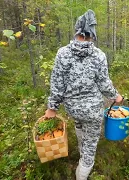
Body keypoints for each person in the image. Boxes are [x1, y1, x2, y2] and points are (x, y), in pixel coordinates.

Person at [43, 10, 123, 180]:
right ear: (92, 33)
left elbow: (57, 83)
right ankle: (82, 174)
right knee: (91, 143)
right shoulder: (99, 55)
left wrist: (52, 108)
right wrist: (116, 96)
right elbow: (104, 83)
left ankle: (81, 153)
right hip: (93, 110)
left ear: (77, 31)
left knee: (79, 126)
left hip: (73, 109)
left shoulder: (62, 53)